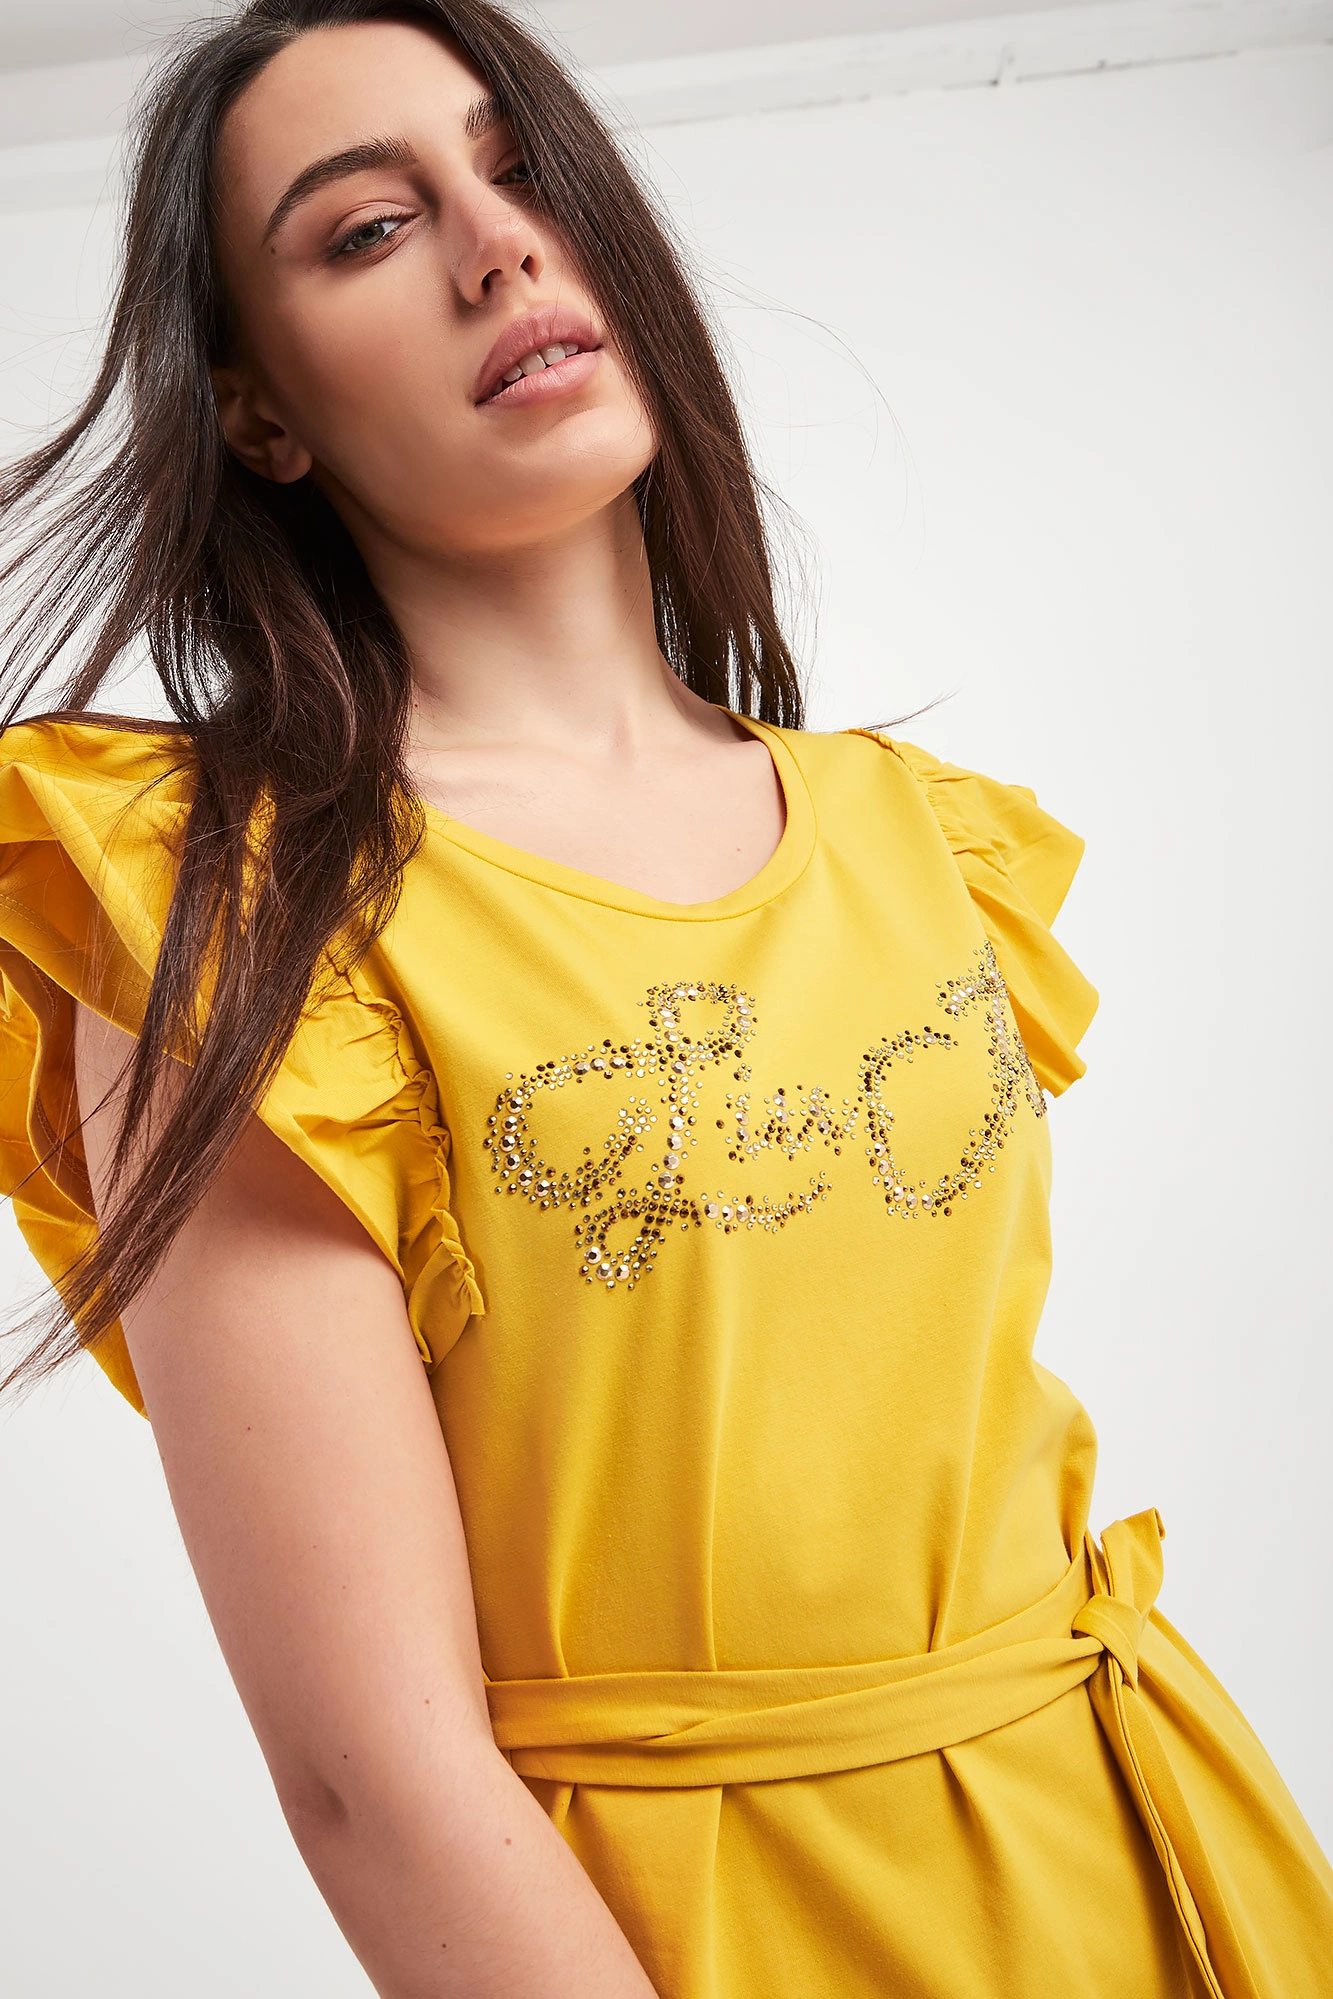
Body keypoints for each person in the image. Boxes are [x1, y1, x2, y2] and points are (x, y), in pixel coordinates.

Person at [0, 2, 1329, 1993]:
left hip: (1154, 1859)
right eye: (369, 228)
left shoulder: (918, 831)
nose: (498, 247)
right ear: (258, 412)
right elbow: (370, 1778)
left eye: (523, 165)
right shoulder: (227, 909)